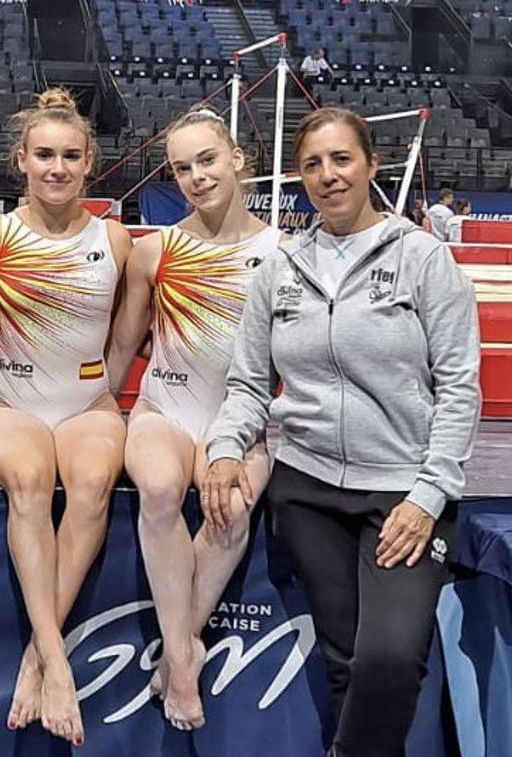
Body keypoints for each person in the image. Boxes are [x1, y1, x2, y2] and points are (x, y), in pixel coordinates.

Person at [203, 106, 480, 757]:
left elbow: (461, 386)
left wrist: (428, 495)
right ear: (299, 178)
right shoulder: (280, 269)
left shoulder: (423, 259)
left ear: (371, 165)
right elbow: (248, 384)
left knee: (387, 657)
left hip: (404, 492)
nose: (328, 176)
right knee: (346, 657)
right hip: (307, 490)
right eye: (312, 165)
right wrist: (223, 450)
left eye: (341, 159)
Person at [105, 108, 282, 731]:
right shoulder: (156, 252)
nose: (196, 177)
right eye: (182, 168)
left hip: (238, 423)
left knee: (230, 509)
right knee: (157, 488)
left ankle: (177, 650)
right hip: (164, 410)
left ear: (236, 159)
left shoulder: (282, 253)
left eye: (207, 160)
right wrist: (99, 406)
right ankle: (183, 664)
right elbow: (125, 344)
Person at [0, 88, 133, 747]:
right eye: (44, 155)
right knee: (31, 482)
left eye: (69, 156)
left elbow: (124, 337)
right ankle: (57, 663)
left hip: (87, 405)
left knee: (91, 485)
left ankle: (38, 656)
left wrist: (103, 395)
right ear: (22, 160)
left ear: (90, 162)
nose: (56, 168)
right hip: (9, 404)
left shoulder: (114, 240)